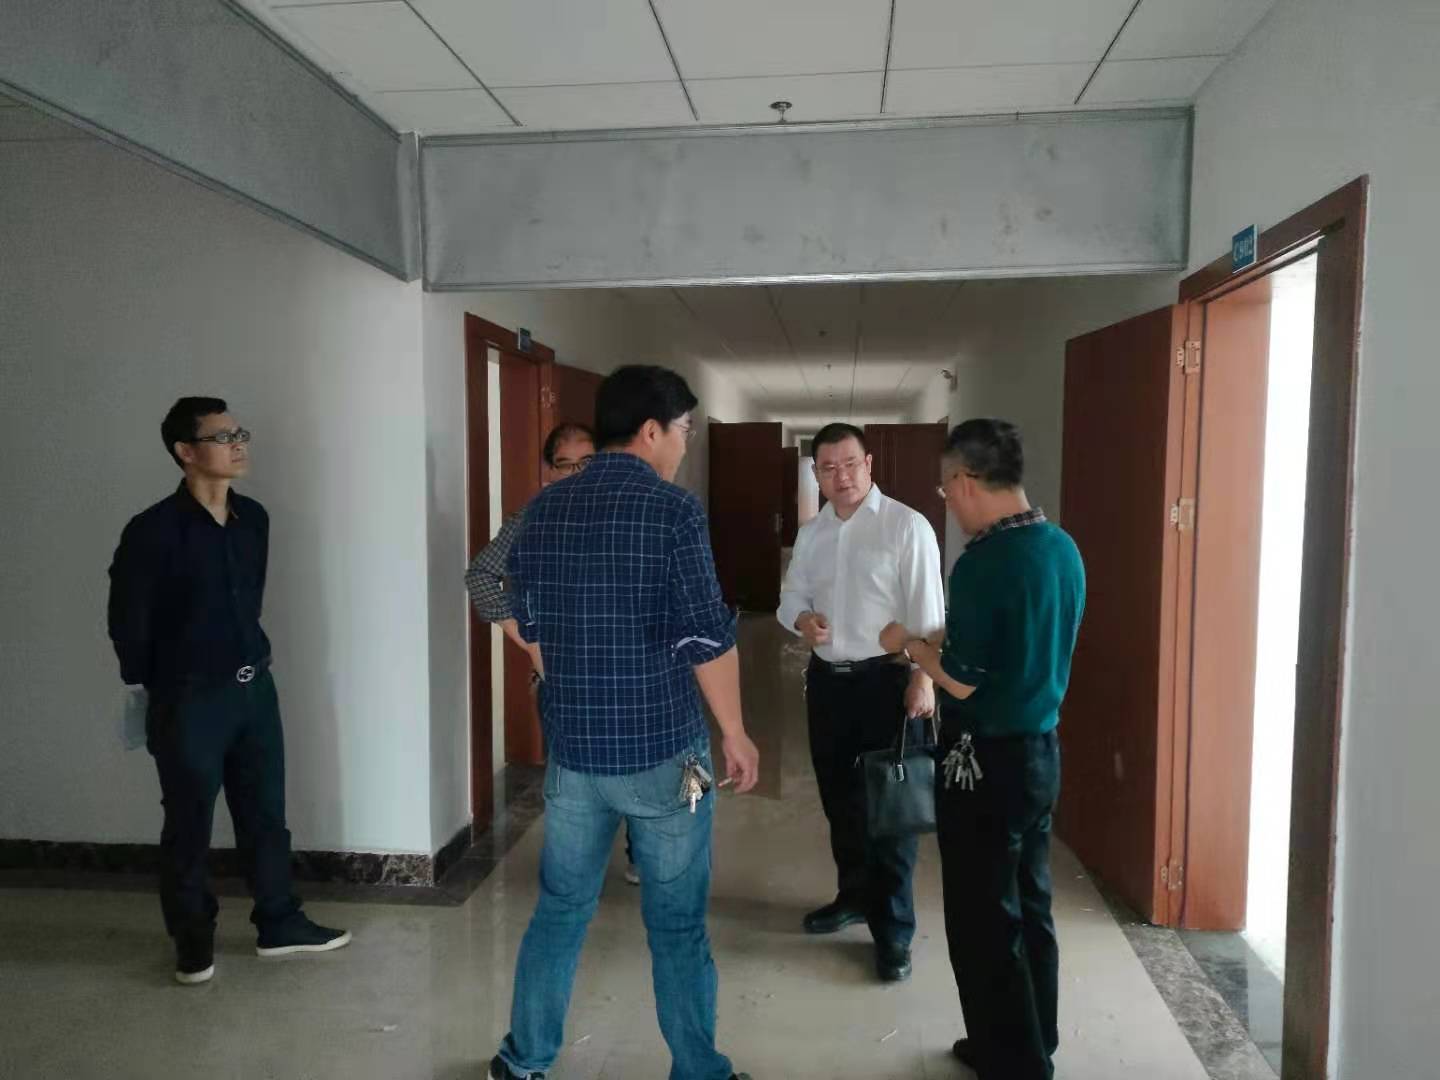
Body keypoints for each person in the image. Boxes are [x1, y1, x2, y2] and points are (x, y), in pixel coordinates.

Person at [487, 365, 760, 1080]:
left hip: (574, 757)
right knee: (677, 924)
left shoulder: (543, 510)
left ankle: (523, 1062)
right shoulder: (673, 511)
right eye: (683, 430)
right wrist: (734, 731)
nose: (685, 444)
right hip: (661, 754)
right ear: (651, 431)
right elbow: (706, 638)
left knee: (560, 910)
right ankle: (698, 1071)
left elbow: (530, 622)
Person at [107, 397, 350, 987]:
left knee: (266, 814)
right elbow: (128, 621)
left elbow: (248, 600)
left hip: (254, 689)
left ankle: (279, 922)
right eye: (221, 436)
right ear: (185, 452)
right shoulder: (152, 531)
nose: (237, 443)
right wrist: (157, 689)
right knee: (189, 823)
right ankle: (193, 941)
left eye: (240, 432)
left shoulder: (253, 519)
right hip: (190, 699)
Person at [879, 419, 1085, 1080]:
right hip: (1040, 753)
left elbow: (962, 679)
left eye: (946, 490)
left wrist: (907, 645)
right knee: (1030, 903)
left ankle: (1014, 1063)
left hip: (984, 764)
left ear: (966, 481)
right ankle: (1033, 1039)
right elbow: (1015, 640)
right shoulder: (1060, 547)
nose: (948, 502)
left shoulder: (984, 563)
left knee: (982, 918)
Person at [776, 422, 945, 983]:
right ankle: (852, 897)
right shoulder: (813, 534)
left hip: (887, 684)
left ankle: (893, 931)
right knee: (841, 801)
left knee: (891, 812)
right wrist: (802, 618)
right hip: (829, 684)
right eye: (828, 468)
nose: (841, 476)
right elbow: (790, 596)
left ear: (869, 463)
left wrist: (923, 679)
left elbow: (928, 612)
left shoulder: (905, 525)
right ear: (816, 473)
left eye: (850, 464)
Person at [464, 422, 646, 885]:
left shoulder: (628, 513)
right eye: (566, 465)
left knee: (639, 770)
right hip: (562, 678)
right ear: (549, 470)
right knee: (572, 778)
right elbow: (481, 576)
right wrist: (527, 639)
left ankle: (641, 853)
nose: (577, 473)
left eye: (588, 462)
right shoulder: (532, 519)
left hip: (627, 671)